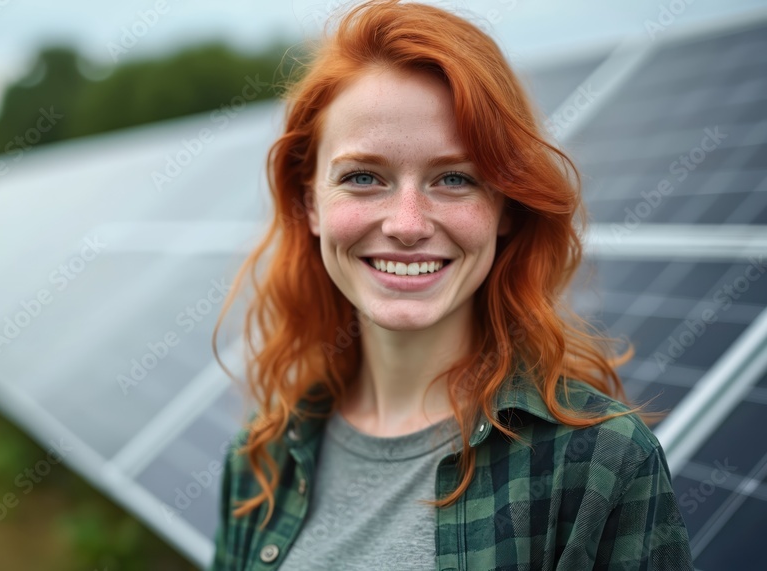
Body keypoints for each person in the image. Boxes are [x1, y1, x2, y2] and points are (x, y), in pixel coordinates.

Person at [208, 0, 694, 569]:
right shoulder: (262, 460)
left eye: (456, 178)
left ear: (506, 207)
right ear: (308, 203)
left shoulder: (598, 467)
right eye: (363, 177)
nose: (408, 224)